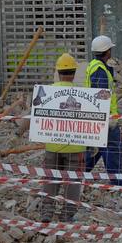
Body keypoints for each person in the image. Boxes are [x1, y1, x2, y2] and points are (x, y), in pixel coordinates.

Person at [38, 53, 87, 222]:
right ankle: (67, 214)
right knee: (73, 180)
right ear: (74, 73)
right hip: (76, 146)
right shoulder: (82, 94)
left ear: (58, 72)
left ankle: (47, 211)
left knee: (51, 177)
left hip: (52, 145)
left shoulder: (47, 93)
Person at [84, 35, 122, 186]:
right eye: (110, 49)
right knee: (113, 150)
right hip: (106, 119)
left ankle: (75, 177)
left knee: (95, 150)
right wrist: (106, 119)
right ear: (107, 51)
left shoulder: (94, 65)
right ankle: (118, 183)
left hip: (98, 117)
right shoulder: (100, 70)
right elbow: (100, 94)